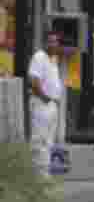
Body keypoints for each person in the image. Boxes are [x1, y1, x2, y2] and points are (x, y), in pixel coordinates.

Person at [28, 30, 64, 178]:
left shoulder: (53, 59)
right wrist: (45, 98)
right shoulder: (39, 57)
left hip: (52, 106)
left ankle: (45, 175)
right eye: (50, 41)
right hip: (42, 105)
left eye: (55, 41)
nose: (53, 44)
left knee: (48, 142)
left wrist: (54, 101)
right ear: (45, 42)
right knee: (39, 141)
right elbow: (34, 82)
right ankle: (38, 176)